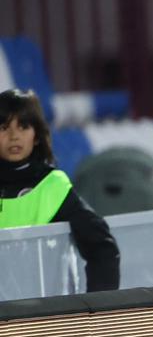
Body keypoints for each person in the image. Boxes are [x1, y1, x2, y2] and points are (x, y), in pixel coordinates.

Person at [0, 88, 120, 291]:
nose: (14, 136)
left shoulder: (53, 186)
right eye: (4, 127)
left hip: (45, 318)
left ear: (36, 136)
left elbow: (103, 250)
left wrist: (97, 313)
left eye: (23, 126)